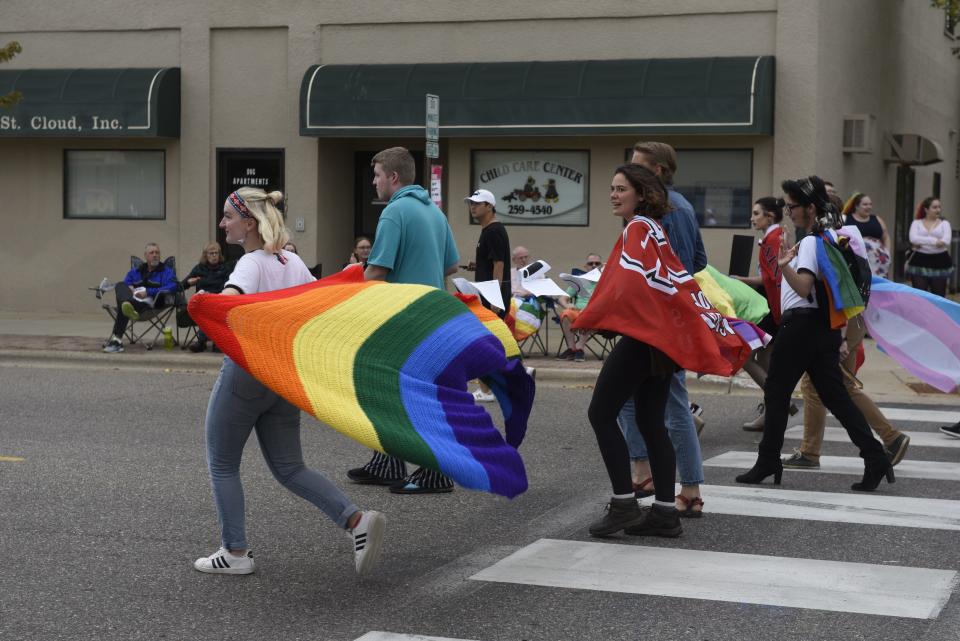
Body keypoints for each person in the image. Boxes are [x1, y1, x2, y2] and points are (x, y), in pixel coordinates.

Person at [194, 187, 385, 577]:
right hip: (281, 376)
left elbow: (229, 305)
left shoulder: (250, 263)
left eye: (228, 217)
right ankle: (355, 521)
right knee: (290, 468)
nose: (222, 224)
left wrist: (202, 302)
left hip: (247, 372)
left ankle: (235, 552)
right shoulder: (292, 261)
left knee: (222, 464)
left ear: (248, 222)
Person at [735, 175, 893, 492]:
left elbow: (804, 287)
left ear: (809, 208)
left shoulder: (810, 241)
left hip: (800, 327)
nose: (788, 211)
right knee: (836, 398)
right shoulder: (829, 238)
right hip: (822, 329)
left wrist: (784, 266)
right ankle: (876, 456)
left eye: (793, 206)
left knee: (777, 392)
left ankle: (768, 460)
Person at [348, 146, 460, 495]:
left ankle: (432, 472)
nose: (374, 182)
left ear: (393, 178)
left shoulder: (394, 212)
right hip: (431, 315)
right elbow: (451, 265)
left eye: (378, 175)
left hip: (400, 318)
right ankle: (389, 461)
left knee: (388, 388)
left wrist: (345, 292)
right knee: (410, 390)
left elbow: (378, 270)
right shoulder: (434, 213)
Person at [578, 164, 683, 538]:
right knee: (652, 421)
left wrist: (596, 317)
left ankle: (624, 503)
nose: (613, 194)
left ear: (641, 193)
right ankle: (666, 513)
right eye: (612, 187)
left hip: (643, 338)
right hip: (663, 338)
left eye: (621, 188)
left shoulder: (638, 228)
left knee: (601, 412)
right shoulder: (654, 228)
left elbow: (628, 283)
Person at [618, 141, 708, 516]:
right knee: (638, 399)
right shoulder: (677, 207)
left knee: (672, 406)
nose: (628, 175)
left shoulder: (665, 210)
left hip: (659, 319)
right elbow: (699, 259)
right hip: (663, 317)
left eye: (636, 169)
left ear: (657, 171)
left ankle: (686, 487)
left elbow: (668, 267)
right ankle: (650, 473)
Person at [784, 313, 911, 468]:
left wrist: (841, 336)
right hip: (851, 317)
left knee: (813, 385)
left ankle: (809, 452)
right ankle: (891, 437)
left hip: (843, 318)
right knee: (843, 386)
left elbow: (841, 291)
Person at [732, 197, 798, 431]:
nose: (752, 218)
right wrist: (744, 280)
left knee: (747, 357)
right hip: (776, 308)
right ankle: (772, 411)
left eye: (756, 213)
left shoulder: (773, 237)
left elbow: (774, 277)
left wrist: (742, 281)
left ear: (769, 216)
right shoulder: (777, 235)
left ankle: (780, 400)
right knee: (766, 360)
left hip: (774, 309)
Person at [463, 188, 511, 402]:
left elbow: (499, 265)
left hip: (492, 297)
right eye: (471, 203)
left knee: (483, 342)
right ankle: (494, 385)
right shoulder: (488, 230)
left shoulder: (493, 230)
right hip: (487, 293)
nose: (473, 207)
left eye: (477, 203)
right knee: (486, 342)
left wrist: (494, 299)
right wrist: (478, 265)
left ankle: (489, 389)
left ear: (489, 206)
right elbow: (492, 261)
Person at [102, 243, 178, 353]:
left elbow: (173, 286)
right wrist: (130, 288)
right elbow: (126, 283)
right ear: (146, 256)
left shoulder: (166, 271)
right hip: (132, 300)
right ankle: (129, 309)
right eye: (152, 253)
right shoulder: (137, 271)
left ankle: (117, 340)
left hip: (149, 304)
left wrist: (148, 292)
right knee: (120, 285)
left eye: (157, 252)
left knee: (124, 305)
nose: (155, 255)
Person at [181, 242, 234, 352]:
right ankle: (211, 342)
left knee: (211, 309)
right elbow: (182, 284)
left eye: (216, 253)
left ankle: (203, 341)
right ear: (206, 255)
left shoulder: (225, 268)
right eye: (211, 253)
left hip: (219, 300)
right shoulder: (199, 269)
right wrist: (189, 282)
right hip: (203, 301)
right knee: (204, 308)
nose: (214, 256)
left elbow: (231, 285)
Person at [555, 253, 603, 362]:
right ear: (585, 266)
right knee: (566, 313)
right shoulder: (579, 280)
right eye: (591, 263)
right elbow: (562, 298)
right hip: (577, 312)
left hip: (596, 314)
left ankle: (580, 349)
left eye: (597, 263)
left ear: (601, 266)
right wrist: (567, 305)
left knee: (588, 314)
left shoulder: (605, 281)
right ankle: (571, 349)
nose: (594, 265)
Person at [906, 197, 953, 296]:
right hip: (920, 261)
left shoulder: (945, 224)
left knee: (939, 296)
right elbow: (913, 239)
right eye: (935, 207)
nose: (938, 210)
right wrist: (935, 241)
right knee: (919, 296)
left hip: (940, 261)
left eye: (939, 207)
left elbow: (946, 241)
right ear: (926, 209)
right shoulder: (916, 223)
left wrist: (922, 241)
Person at [843, 192, 891, 277]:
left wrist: (887, 252)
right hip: (856, 261)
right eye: (865, 204)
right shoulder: (846, 219)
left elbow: (886, 237)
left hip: (879, 263)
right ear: (856, 206)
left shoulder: (877, 219)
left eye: (870, 204)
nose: (869, 207)